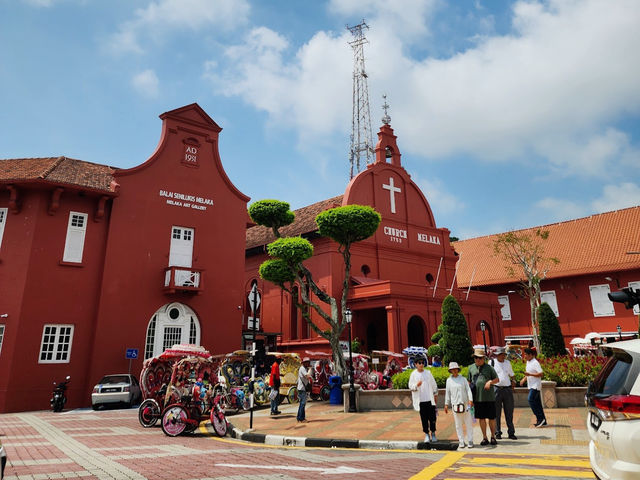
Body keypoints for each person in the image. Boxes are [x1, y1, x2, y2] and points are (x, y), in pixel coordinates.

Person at [468, 348, 499, 446]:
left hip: (489, 397)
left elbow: (497, 379)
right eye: (476, 358)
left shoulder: (489, 368)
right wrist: (470, 397)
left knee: (491, 418)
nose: (478, 360)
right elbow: (469, 382)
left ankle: (493, 436)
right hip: (477, 398)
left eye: (480, 358)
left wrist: (490, 381)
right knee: (481, 418)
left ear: (484, 358)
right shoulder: (471, 368)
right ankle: (484, 437)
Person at [408, 356, 439, 443]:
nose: (421, 364)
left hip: (430, 400)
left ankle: (433, 433)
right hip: (420, 401)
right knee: (424, 419)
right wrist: (416, 385)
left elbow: (434, 385)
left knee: (432, 418)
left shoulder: (428, 373)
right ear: (415, 364)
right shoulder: (413, 374)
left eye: (422, 363)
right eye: (419, 363)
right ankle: (426, 434)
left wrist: (435, 395)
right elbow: (410, 386)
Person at [444, 362, 474, 449]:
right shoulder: (449, 381)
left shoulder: (463, 379)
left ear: (458, 369)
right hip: (455, 405)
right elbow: (447, 393)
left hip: (465, 404)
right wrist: (446, 404)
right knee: (458, 424)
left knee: (468, 423)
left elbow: (468, 390)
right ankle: (461, 441)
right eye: (452, 369)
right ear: (450, 371)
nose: (454, 371)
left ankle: (470, 440)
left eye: (455, 369)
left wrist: (470, 400)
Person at [492, 347, 517, 440]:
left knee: (509, 412)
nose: (502, 356)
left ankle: (511, 432)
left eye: (503, 355)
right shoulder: (492, 363)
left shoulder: (507, 363)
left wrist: (514, 380)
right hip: (496, 389)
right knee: (496, 412)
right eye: (500, 355)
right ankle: (497, 432)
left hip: (507, 389)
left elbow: (512, 374)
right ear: (497, 355)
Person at [520, 347, 547, 427]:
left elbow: (541, 374)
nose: (524, 356)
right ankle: (543, 420)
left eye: (526, 354)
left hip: (535, 386)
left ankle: (539, 418)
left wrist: (530, 375)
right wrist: (523, 379)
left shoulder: (535, 362)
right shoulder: (528, 362)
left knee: (530, 400)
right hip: (531, 385)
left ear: (531, 355)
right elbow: (528, 373)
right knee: (537, 403)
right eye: (524, 354)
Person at [297, 357, 312, 423]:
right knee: (303, 404)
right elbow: (307, 376)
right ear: (304, 363)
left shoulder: (304, 368)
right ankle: (301, 418)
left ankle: (299, 417)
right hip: (302, 388)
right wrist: (310, 369)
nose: (309, 363)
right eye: (308, 362)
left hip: (302, 388)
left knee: (302, 404)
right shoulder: (302, 369)